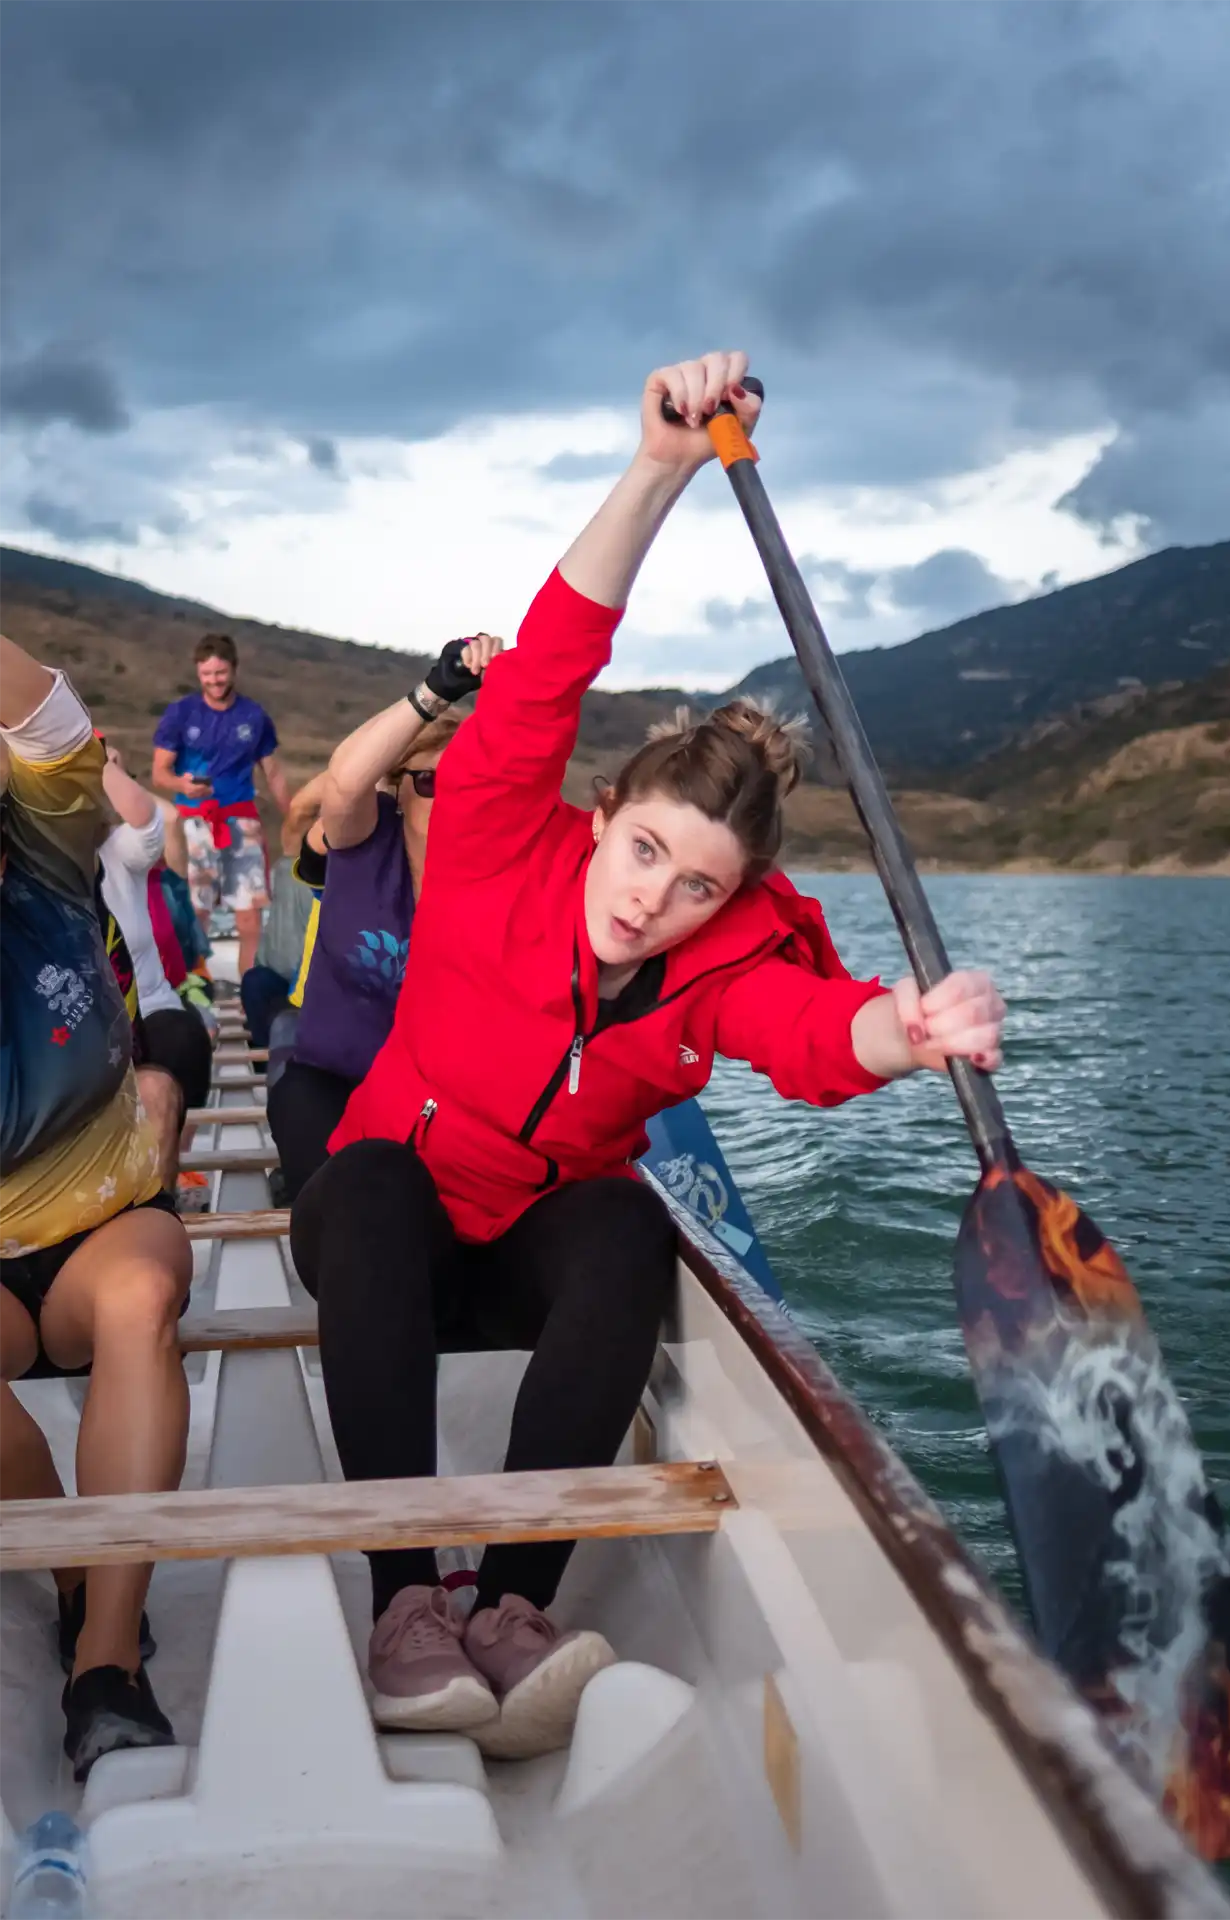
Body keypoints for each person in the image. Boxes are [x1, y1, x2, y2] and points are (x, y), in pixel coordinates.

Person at [291, 352, 1008, 1761]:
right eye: (643, 852)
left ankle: (508, 1604)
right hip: (393, 1212)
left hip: (530, 1242)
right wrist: (662, 470)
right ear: (603, 809)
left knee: (627, 1215)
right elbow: (550, 659)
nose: (650, 898)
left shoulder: (720, 960)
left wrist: (911, 1033)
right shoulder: (502, 834)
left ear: (732, 899)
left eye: (697, 885)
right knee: (364, 1187)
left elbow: (811, 1032)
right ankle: (401, 1607)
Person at [0, 635, 191, 1781]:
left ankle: (106, 1661)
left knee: (142, 1296)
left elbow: (49, 719)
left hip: (100, 1222)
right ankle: (78, 1573)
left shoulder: (47, 840)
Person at [267, 637, 501, 1202]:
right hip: (331, 1076)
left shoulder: (500, 874)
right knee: (341, 1191)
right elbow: (346, 782)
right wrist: (437, 690)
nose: (449, 798)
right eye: (429, 781)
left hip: (442, 1099)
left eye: (466, 782)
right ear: (397, 789)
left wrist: (515, 698)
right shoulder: (360, 844)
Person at [98, 750, 214, 1194]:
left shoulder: (115, 850)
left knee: (180, 1044)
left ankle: (158, 1202)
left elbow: (152, 823)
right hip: (69, 1029)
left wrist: (98, 763)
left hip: (150, 1011)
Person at [151, 632, 291, 977]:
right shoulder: (181, 714)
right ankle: (192, 990)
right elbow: (159, 773)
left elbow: (273, 775)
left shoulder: (254, 716)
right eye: (206, 674)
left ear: (234, 670)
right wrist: (181, 784)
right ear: (199, 674)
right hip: (193, 826)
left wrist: (294, 818)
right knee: (196, 912)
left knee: (250, 917)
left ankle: (250, 998)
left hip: (242, 824)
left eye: (220, 673)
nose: (214, 680)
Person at [238, 773, 327, 1052]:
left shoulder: (359, 866)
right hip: (276, 981)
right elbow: (301, 809)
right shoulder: (295, 855)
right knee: (254, 983)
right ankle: (270, 1067)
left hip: (321, 987)